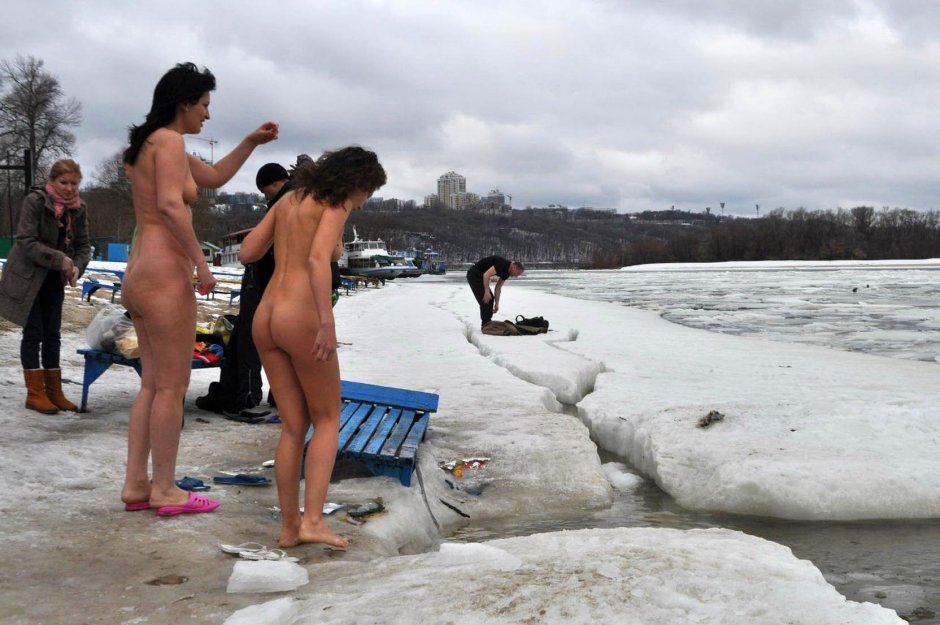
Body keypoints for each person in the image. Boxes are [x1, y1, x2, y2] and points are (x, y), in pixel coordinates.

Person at [119, 62, 278, 515]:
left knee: (152, 386)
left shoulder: (152, 144)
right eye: (204, 105)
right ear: (184, 103)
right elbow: (171, 204)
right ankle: (166, 489)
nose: (207, 115)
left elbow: (214, 179)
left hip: (140, 273)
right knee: (171, 388)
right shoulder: (169, 141)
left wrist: (250, 142)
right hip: (164, 274)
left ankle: (136, 483)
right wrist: (202, 263)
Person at [239, 146, 386, 548]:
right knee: (326, 419)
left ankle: (289, 528)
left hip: (266, 317)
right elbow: (319, 258)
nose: (361, 204)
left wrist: (295, 239)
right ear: (356, 183)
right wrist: (326, 320)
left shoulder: (289, 198)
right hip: (300, 317)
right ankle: (314, 521)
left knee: (292, 425)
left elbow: (247, 251)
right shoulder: (334, 201)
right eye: (366, 195)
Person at [0, 159, 91, 414]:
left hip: (54, 279)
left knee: (53, 334)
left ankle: (54, 391)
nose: (69, 188)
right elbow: (25, 241)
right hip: (27, 276)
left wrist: (77, 267)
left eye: (74, 183)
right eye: (64, 182)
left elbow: (84, 246)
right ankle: (35, 393)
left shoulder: (79, 208)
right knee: (34, 332)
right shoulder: (37, 201)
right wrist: (59, 258)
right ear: (53, 181)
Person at [465, 255, 525, 327]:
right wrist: (486, 292)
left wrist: (497, 303)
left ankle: (487, 323)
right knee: (487, 299)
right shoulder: (502, 263)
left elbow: (498, 287)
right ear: (514, 267)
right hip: (474, 274)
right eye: (517, 273)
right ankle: (486, 325)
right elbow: (486, 275)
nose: (516, 276)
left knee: (490, 299)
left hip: (481, 276)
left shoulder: (507, 273)